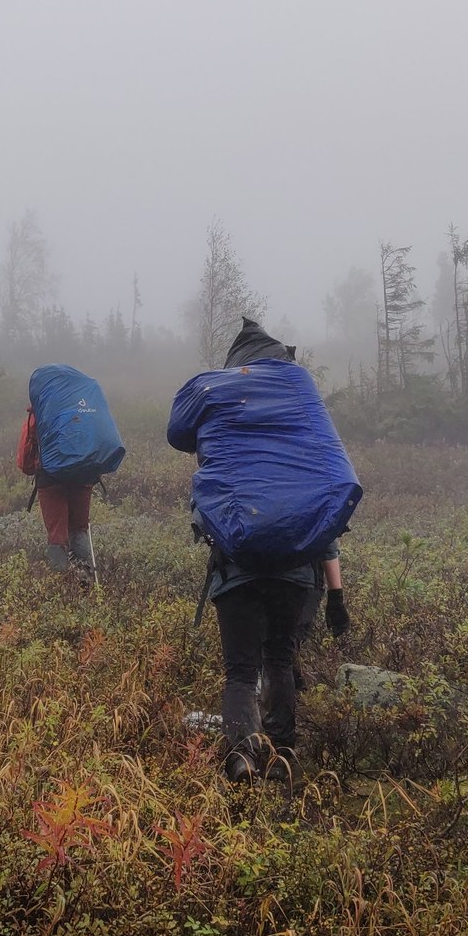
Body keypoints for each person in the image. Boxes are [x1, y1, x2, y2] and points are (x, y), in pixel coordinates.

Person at [176, 321, 351, 784]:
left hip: (237, 567)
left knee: (240, 670)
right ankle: (283, 759)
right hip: (295, 572)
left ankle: (242, 757)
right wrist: (335, 596)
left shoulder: (224, 408)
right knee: (279, 660)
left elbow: (179, 434)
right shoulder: (301, 413)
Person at [17, 411, 96, 581]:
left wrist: (31, 467)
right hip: (83, 473)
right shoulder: (85, 402)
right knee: (79, 528)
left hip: (50, 476)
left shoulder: (41, 404)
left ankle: (61, 582)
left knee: (56, 533)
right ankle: (85, 579)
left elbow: (26, 449)